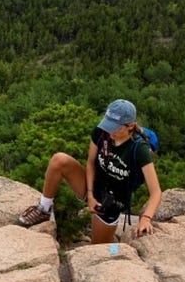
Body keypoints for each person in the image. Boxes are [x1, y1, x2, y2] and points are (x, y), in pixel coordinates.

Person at [16, 99, 162, 243]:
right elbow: (91, 163)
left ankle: (118, 249)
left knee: (100, 249)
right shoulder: (101, 133)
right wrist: (91, 195)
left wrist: (145, 218)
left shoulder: (139, 150)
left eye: (115, 128)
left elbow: (155, 192)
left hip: (112, 201)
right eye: (108, 125)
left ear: (131, 126)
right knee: (59, 160)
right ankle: (44, 208)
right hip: (93, 184)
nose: (110, 131)